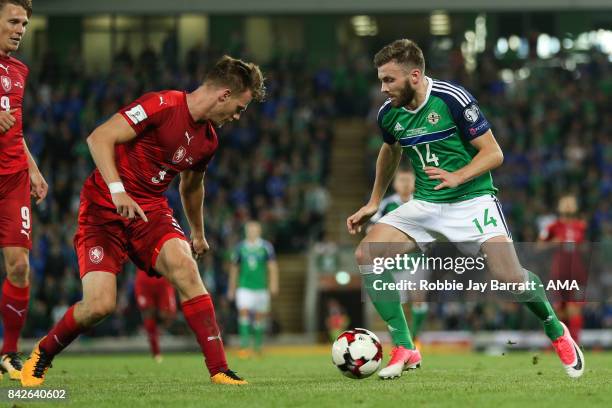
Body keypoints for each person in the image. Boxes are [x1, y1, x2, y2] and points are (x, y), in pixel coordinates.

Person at [21, 55, 265, 386]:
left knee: (186, 268)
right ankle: (42, 354)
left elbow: (192, 187)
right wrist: (118, 190)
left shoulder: (208, 140)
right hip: (103, 207)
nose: (237, 116)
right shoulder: (162, 104)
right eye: (239, 107)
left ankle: (220, 370)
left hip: (149, 209)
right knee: (99, 305)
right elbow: (99, 137)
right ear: (223, 95)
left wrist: (198, 233)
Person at [347, 39, 584, 379]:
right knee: (366, 255)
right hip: (427, 204)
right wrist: (373, 201)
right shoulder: (389, 114)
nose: (382, 88)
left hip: (472, 201)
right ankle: (405, 346)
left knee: (512, 279)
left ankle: (556, 330)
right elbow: (390, 150)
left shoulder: (451, 99)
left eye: (389, 80)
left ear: (414, 75)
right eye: (381, 80)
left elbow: (493, 153)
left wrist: (458, 176)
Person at [0, 0, 47, 381]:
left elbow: (14, 128)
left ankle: (8, 353)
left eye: (25, 23)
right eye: (13, 21)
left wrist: (32, 168)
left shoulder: (19, 70)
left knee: (19, 266)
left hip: (13, 176)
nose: (20, 29)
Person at [368, 168, 429, 349]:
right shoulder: (386, 205)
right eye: (401, 180)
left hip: (417, 259)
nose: (405, 184)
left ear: (414, 183)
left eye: (408, 180)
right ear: (395, 184)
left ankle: (415, 337)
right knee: (395, 303)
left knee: (419, 297)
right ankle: (400, 343)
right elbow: (371, 228)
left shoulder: (421, 203)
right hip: (393, 262)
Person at [539, 194, 588, 343]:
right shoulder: (553, 226)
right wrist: (553, 243)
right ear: (560, 207)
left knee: (575, 307)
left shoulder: (581, 226)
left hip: (577, 272)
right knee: (560, 309)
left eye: (570, 203)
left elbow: (585, 247)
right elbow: (539, 246)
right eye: (565, 203)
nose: (567, 206)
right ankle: (562, 343)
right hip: (559, 272)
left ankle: (576, 344)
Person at [228, 221, 279, 356]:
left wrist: (274, 284)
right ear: (246, 231)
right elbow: (234, 268)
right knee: (243, 313)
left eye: (254, 230)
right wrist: (232, 288)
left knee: (258, 317)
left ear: (259, 231)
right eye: (249, 230)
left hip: (261, 287)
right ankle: (244, 346)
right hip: (244, 287)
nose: (252, 232)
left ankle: (257, 347)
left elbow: (272, 266)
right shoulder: (240, 248)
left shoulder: (266, 247)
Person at [134, 268, 177, 362]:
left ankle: (158, 332)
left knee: (167, 314)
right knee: (149, 313)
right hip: (144, 275)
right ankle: (156, 352)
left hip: (162, 275)